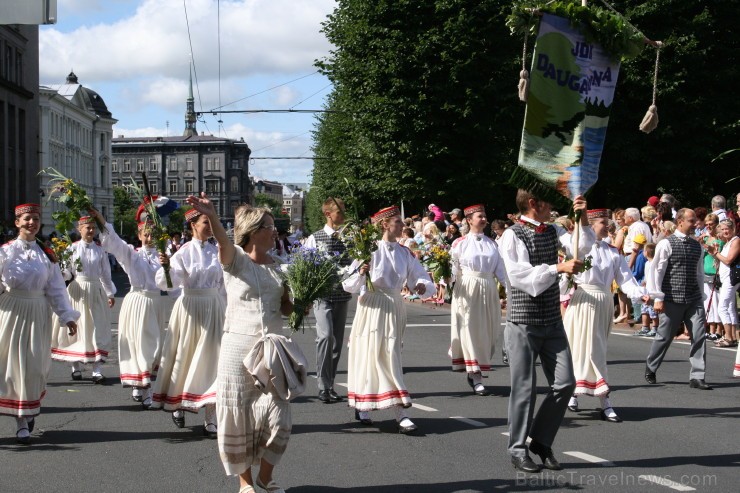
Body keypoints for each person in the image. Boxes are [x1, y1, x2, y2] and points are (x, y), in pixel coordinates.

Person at [186, 193, 295, 493]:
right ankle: (246, 483)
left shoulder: (283, 268)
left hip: (271, 352)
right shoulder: (236, 261)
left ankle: (266, 476)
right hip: (237, 351)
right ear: (252, 231)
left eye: (274, 226)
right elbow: (223, 241)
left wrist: (300, 304)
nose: (275, 231)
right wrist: (212, 215)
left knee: (279, 418)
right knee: (239, 418)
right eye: (269, 226)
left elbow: (286, 309)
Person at [499, 190, 594, 473]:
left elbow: (583, 247)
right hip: (523, 321)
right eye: (547, 201)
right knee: (525, 389)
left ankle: (540, 440)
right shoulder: (512, 235)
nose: (552, 206)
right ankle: (517, 449)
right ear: (533, 204)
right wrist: (558, 267)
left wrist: (582, 216)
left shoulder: (552, 229)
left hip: (551, 319)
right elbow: (521, 278)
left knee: (565, 383)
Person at [342, 206, 434, 434]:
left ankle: (386, 407)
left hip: (394, 306)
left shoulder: (405, 253)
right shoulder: (368, 250)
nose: (403, 226)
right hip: (372, 305)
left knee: (390, 354)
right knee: (370, 354)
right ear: (384, 225)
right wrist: (361, 272)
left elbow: (419, 277)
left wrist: (422, 285)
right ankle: (395, 411)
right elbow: (348, 284)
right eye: (398, 222)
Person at [0, 203, 79, 444]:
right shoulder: (5, 252)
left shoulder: (47, 255)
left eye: (34, 218)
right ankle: (21, 421)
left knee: (34, 366)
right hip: (11, 311)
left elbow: (55, 289)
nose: (31, 222)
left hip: (37, 313)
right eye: (26, 219)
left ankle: (27, 410)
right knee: (8, 366)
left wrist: (67, 316)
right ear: (17, 223)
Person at [563, 209, 646, 423]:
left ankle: (582, 392)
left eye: (608, 222)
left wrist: (641, 295)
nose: (607, 226)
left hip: (604, 302)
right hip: (583, 300)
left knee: (595, 348)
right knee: (583, 348)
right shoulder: (579, 248)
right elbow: (567, 274)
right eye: (602, 222)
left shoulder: (613, 251)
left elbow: (625, 279)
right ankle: (598, 398)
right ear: (590, 225)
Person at [150, 208, 226, 438]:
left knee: (215, 362)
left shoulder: (218, 251)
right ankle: (179, 404)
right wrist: (166, 267)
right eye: (206, 222)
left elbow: (225, 284)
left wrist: (229, 310)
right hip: (191, 308)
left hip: (214, 308)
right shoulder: (182, 252)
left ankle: (211, 417)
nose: (211, 226)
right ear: (193, 224)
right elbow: (168, 284)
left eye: (212, 222)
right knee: (186, 358)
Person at [89, 208, 166, 407]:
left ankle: (142, 383)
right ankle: (144, 387)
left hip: (156, 302)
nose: (149, 238)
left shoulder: (163, 256)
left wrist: (168, 267)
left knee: (155, 346)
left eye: (152, 234)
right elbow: (114, 241)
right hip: (138, 301)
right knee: (140, 344)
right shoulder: (132, 254)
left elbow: (171, 285)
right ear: (139, 235)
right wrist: (100, 218)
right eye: (145, 234)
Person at [645, 208, 711, 389]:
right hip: (671, 298)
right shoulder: (666, 244)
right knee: (664, 337)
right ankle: (651, 367)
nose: (695, 223)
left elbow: (699, 273)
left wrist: (701, 295)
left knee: (699, 335)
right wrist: (657, 297)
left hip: (693, 298)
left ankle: (697, 376)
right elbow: (656, 271)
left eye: (695, 220)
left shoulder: (696, 245)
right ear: (680, 221)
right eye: (691, 220)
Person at [449, 204, 507, 396]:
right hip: (467, 288)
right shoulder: (460, 243)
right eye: (479, 216)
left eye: (484, 216)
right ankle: (476, 375)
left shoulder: (493, 244)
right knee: (470, 329)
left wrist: (511, 290)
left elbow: (501, 271)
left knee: (488, 331)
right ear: (469, 220)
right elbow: (452, 269)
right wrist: (447, 278)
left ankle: (478, 367)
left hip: (488, 288)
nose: (483, 219)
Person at [50, 216, 116, 383]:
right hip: (77, 290)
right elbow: (67, 273)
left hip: (95, 290)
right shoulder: (71, 249)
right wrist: (60, 267)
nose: (91, 230)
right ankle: (76, 367)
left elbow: (105, 273)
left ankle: (96, 370)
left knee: (96, 328)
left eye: (93, 228)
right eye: (88, 227)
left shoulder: (100, 250)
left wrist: (109, 293)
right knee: (77, 329)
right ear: (79, 229)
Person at [303, 197, 352, 404]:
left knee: (336, 343)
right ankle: (323, 386)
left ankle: (330, 385)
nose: (343, 216)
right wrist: (305, 297)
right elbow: (306, 266)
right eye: (340, 212)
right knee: (325, 336)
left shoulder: (350, 238)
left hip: (342, 294)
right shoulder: (316, 237)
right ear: (328, 214)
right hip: (322, 295)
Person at [708, 219, 739, 348]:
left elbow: (728, 260)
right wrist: (714, 254)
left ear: (733, 229)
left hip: (731, 279)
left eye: (728, 229)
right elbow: (722, 260)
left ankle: (728, 337)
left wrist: (716, 253)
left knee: (722, 307)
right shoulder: (727, 243)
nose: (725, 231)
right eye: (723, 229)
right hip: (725, 278)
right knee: (730, 307)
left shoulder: (736, 241)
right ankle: (732, 337)